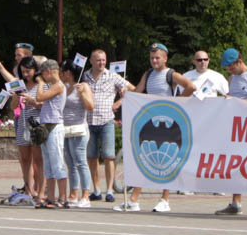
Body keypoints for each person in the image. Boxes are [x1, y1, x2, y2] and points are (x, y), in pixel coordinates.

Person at [116, 43, 196, 213]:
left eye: (157, 58)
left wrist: (177, 103)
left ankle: (165, 199)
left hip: (168, 123)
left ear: (165, 58)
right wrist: (126, 96)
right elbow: (138, 91)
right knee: (143, 158)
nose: (154, 61)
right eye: (152, 58)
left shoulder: (171, 74)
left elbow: (191, 87)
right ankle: (134, 200)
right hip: (150, 122)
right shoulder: (149, 74)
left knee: (166, 162)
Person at [215, 48, 247, 218]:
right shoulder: (233, 77)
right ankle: (236, 202)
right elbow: (232, 96)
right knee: (235, 163)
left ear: (239, 62)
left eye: (231, 67)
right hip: (236, 126)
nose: (229, 71)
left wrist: (237, 101)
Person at [83, 49, 132, 203]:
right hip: (89, 121)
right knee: (92, 157)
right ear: (91, 61)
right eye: (98, 60)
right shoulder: (84, 76)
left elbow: (131, 88)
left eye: (103, 60)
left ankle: (109, 190)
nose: (102, 63)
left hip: (106, 121)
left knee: (109, 156)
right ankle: (96, 189)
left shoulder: (112, 76)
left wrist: (120, 101)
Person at [0, 43, 38, 198]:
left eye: (18, 55)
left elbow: (15, 82)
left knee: (36, 158)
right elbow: (14, 88)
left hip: (34, 119)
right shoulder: (17, 71)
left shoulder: (34, 75)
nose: (16, 57)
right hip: (21, 116)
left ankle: (37, 187)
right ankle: (28, 187)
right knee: (24, 157)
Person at [24, 59, 69, 208]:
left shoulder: (58, 86)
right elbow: (42, 102)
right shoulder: (51, 87)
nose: (42, 77)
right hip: (46, 125)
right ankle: (50, 198)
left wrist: (40, 84)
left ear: (49, 71)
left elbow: (40, 96)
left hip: (55, 126)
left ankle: (62, 198)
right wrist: (32, 102)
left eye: (43, 73)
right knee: (48, 164)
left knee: (57, 162)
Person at [60, 61, 95, 207]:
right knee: (70, 163)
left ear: (69, 72)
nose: (60, 74)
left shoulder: (83, 86)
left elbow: (90, 106)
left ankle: (85, 195)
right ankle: (73, 194)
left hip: (79, 129)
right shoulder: (64, 87)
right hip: (65, 129)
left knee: (80, 161)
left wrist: (81, 94)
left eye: (62, 71)